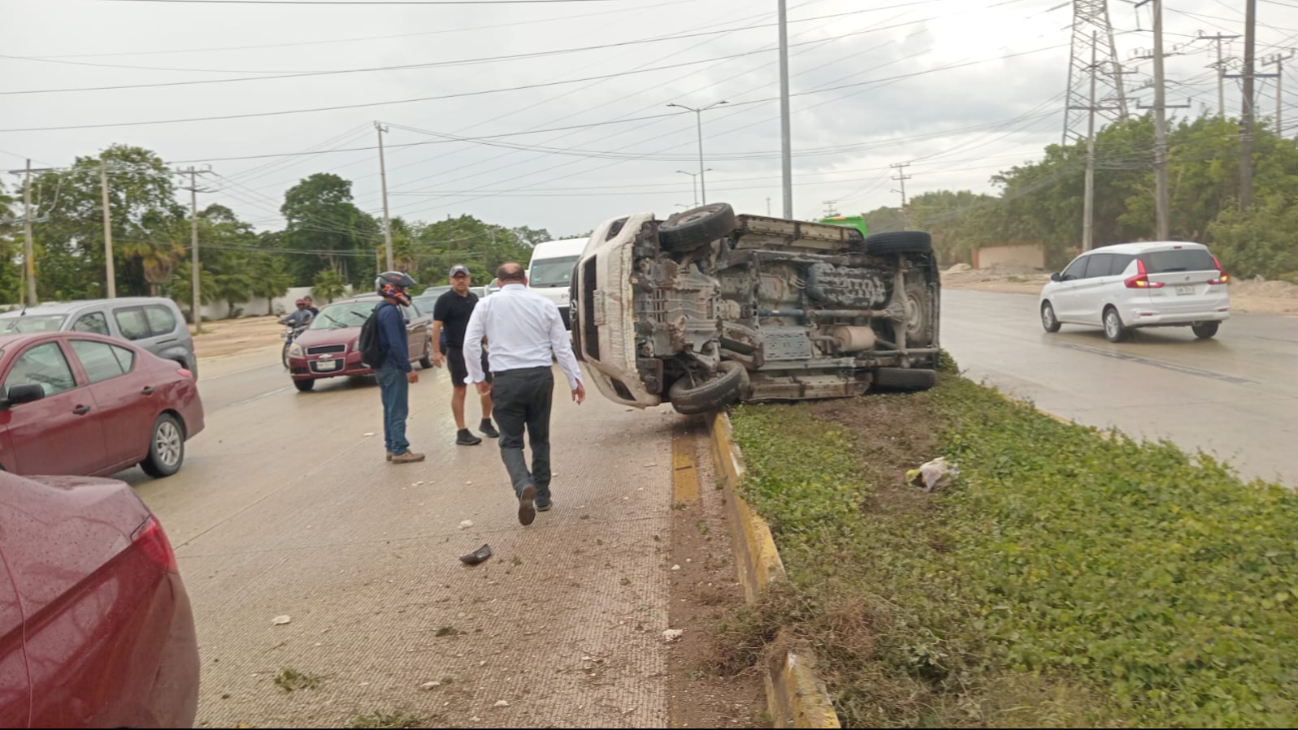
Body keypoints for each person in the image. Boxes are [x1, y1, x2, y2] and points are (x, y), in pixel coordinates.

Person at [464, 262, 585, 527]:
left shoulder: (486, 305)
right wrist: (575, 379)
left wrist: (478, 379)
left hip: (506, 380)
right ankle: (542, 497)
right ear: (526, 280)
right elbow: (561, 346)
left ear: (499, 283)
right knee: (540, 439)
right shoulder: (543, 304)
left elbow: (470, 343)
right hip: (540, 377)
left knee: (510, 442)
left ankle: (523, 484)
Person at [432, 265, 499, 446]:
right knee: (460, 388)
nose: (460, 280)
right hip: (456, 350)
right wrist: (436, 351)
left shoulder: (474, 298)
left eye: (464, 277)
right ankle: (461, 431)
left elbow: (481, 323)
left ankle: (486, 421)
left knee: (488, 384)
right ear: (451, 280)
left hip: (477, 348)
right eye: (456, 277)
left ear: (469, 279)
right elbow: (436, 326)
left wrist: (489, 342)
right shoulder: (445, 300)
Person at [374, 271, 425, 465]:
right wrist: (408, 368)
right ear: (391, 288)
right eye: (402, 288)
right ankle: (400, 450)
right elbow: (395, 344)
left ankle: (391, 446)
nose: (405, 292)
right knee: (398, 409)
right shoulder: (389, 312)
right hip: (393, 367)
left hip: (383, 367)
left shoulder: (381, 308)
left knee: (389, 407)